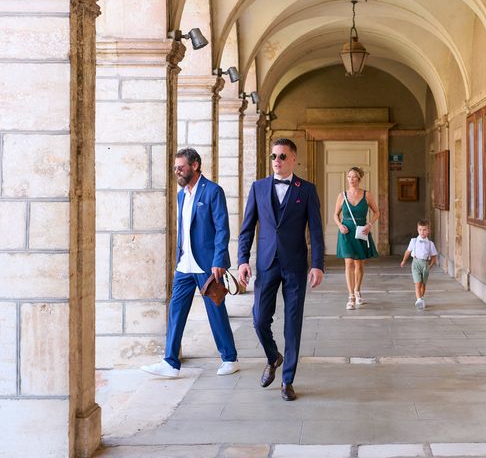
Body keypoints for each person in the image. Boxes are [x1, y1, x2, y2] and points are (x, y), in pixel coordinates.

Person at [238, 138, 324, 401]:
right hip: (265, 264)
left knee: (292, 324)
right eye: (274, 156)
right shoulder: (258, 188)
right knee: (259, 319)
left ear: (293, 159)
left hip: (296, 265)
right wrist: (242, 260)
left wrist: (317, 265)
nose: (277, 160)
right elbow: (247, 227)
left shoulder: (306, 190)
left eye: (283, 156)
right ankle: (273, 356)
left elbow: (317, 231)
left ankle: (287, 380)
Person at [141, 148, 239, 378]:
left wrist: (219, 260)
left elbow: (222, 228)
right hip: (184, 264)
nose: (177, 171)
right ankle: (171, 362)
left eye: (181, 167)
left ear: (194, 166)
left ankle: (230, 358)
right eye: (175, 168)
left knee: (215, 309)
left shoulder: (213, 191)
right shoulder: (181, 194)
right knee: (176, 311)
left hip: (207, 264)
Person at [333, 166, 380, 310]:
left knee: (359, 264)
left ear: (359, 179)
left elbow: (377, 212)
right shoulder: (342, 195)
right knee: (348, 264)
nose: (351, 179)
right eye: (349, 177)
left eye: (354, 177)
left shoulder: (367, 195)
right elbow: (335, 215)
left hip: (361, 231)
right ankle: (350, 296)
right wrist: (340, 225)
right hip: (346, 232)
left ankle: (357, 291)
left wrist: (370, 224)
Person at [401, 220, 438, 309]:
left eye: (424, 230)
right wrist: (404, 260)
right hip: (416, 263)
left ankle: (421, 298)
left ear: (428, 231)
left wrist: (430, 266)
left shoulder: (430, 244)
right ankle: (418, 300)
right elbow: (408, 251)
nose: (422, 232)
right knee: (417, 283)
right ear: (417, 230)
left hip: (425, 264)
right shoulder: (413, 241)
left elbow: (434, 256)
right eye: (420, 229)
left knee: (423, 284)